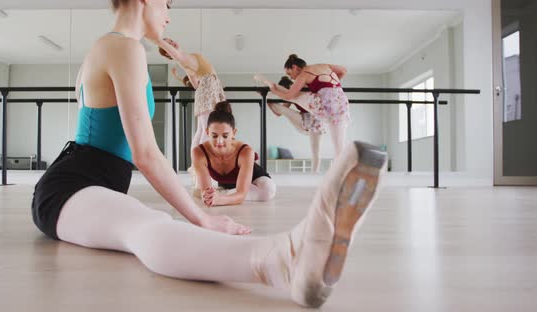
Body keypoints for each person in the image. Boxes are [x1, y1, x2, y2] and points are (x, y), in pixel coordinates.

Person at [31, 0, 387, 308]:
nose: (168, 15)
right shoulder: (123, 48)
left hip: (88, 183)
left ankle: (292, 258)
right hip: (71, 188)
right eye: (167, 4)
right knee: (144, 226)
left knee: (142, 221)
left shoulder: (112, 48)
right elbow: (145, 153)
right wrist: (201, 217)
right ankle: (285, 260)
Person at [255, 54, 350, 156]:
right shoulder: (324, 66)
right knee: (339, 147)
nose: (290, 77)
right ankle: (346, 169)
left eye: (289, 73)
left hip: (324, 106)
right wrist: (332, 87)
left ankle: (271, 84)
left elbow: (289, 96)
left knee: (296, 97)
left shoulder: (304, 74)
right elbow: (343, 70)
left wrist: (274, 91)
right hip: (342, 105)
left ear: (295, 67)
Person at [192, 101, 276, 206]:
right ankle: (225, 193)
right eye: (214, 135)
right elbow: (205, 191)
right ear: (207, 132)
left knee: (268, 189)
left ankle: (224, 194)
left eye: (225, 136)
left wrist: (219, 200)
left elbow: (241, 195)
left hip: (255, 180)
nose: (219, 141)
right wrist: (207, 196)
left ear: (234, 133)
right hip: (229, 186)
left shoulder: (245, 151)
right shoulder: (199, 153)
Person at [156, 36, 226, 152]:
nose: (172, 43)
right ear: (169, 54)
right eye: (168, 44)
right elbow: (196, 83)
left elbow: (195, 85)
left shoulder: (184, 60)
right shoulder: (181, 58)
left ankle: (196, 163)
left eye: (171, 40)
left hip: (206, 90)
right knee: (206, 129)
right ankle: (201, 162)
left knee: (201, 130)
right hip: (207, 90)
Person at [267, 76, 325, 172]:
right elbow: (279, 112)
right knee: (282, 108)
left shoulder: (302, 89)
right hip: (303, 122)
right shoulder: (289, 97)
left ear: (291, 86)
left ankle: (314, 175)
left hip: (315, 122)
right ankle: (265, 98)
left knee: (315, 152)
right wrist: (267, 101)